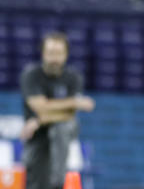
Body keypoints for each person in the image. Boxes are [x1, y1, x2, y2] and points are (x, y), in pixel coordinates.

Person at [20, 32, 94, 189]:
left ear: (66, 55)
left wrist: (39, 120)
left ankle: (57, 185)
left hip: (60, 127)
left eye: (59, 53)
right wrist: (73, 102)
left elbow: (70, 113)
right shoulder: (31, 75)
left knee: (61, 128)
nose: (55, 58)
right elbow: (40, 107)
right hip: (37, 134)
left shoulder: (74, 77)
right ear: (43, 54)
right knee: (35, 178)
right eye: (51, 53)